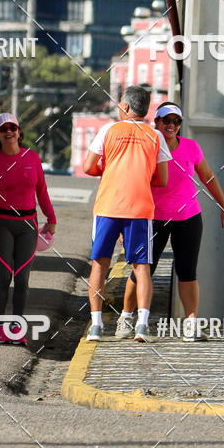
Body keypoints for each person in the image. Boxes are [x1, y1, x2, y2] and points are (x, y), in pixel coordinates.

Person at [116, 101, 224, 341]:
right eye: (166, 120)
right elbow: (129, 182)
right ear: (156, 122)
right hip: (151, 217)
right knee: (142, 270)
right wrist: (123, 222)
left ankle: (190, 323)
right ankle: (126, 317)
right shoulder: (146, 146)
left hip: (188, 217)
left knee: (187, 271)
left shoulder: (190, 147)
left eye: (176, 121)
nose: (171, 125)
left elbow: (208, 177)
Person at [83, 85, 171, 342]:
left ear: (126, 107)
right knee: (141, 266)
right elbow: (162, 179)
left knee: (100, 264)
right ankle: (142, 326)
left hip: (108, 206)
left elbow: (89, 167)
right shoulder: (156, 136)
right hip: (141, 208)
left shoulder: (108, 130)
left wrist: (110, 170)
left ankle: (96, 327)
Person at [0, 113, 57, 344]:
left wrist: (51, 218)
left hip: (28, 225)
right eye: (3, 129)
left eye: (13, 127)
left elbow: (42, 191)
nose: (8, 131)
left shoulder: (32, 158)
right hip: (1, 226)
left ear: (19, 132)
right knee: (3, 277)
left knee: (22, 279)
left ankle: (16, 328)